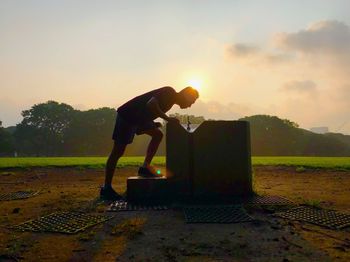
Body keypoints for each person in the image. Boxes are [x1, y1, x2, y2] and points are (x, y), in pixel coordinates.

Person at [100, 86, 199, 200]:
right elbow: (151, 104)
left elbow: (147, 109)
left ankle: (145, 167)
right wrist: (168, 119)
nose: (190, 105)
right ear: (186, 95)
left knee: (158, 135)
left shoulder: (170, 101)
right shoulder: (169, 92)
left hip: (139, 119)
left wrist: (153, 123)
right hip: (128, 116)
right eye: (192, 101)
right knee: (118, 151)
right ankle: (106, 188)